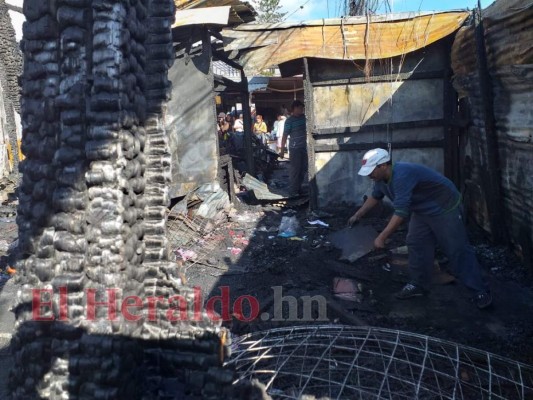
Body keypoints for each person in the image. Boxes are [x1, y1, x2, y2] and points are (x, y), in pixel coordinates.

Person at [348, 148, 492, 309]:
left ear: (383, 166)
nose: (369, 175)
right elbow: (376, 196)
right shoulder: (380, 180)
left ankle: (478, 290)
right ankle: (418, 284)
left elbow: (401, 212)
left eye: (371, 171)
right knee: (416, 244)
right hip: (422, 209)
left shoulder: (402, 175)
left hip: (443, 207)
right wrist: (358, 214)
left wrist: (381, 237)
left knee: (456, 248)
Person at [280, 100, 307, 197]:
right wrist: (282, 150)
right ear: (294, 108)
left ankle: (298, 188)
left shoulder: (304, 118)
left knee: (303, 169)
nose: (301, 110)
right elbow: (284, 135)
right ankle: (293, 191)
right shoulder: (289, 121)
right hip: (295, 148)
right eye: (300, 108)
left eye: (302, 108)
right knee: (295, 169)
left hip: (304, 147)